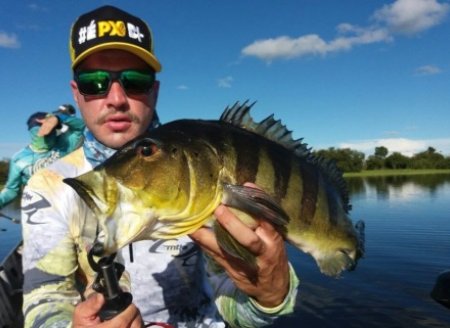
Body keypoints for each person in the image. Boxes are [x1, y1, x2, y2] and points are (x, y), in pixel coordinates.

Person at [21, 5, 299, 328]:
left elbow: (233, 306)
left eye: (135, 81)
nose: (116, 98)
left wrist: (270, 296)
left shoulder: (204, 170)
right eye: (94, 83)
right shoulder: (49, 186)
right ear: (77, 94)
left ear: (154, 90)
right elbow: (44, 300)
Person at [0, 104, 84, 210]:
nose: (48, 133)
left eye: (53, 128)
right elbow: (11, 190)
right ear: (32, 131)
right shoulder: (19, 159)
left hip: (67, 210)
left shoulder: (65, 144)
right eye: (41, 127)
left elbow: (80, 127)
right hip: (36, 213)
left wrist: (59, 118)